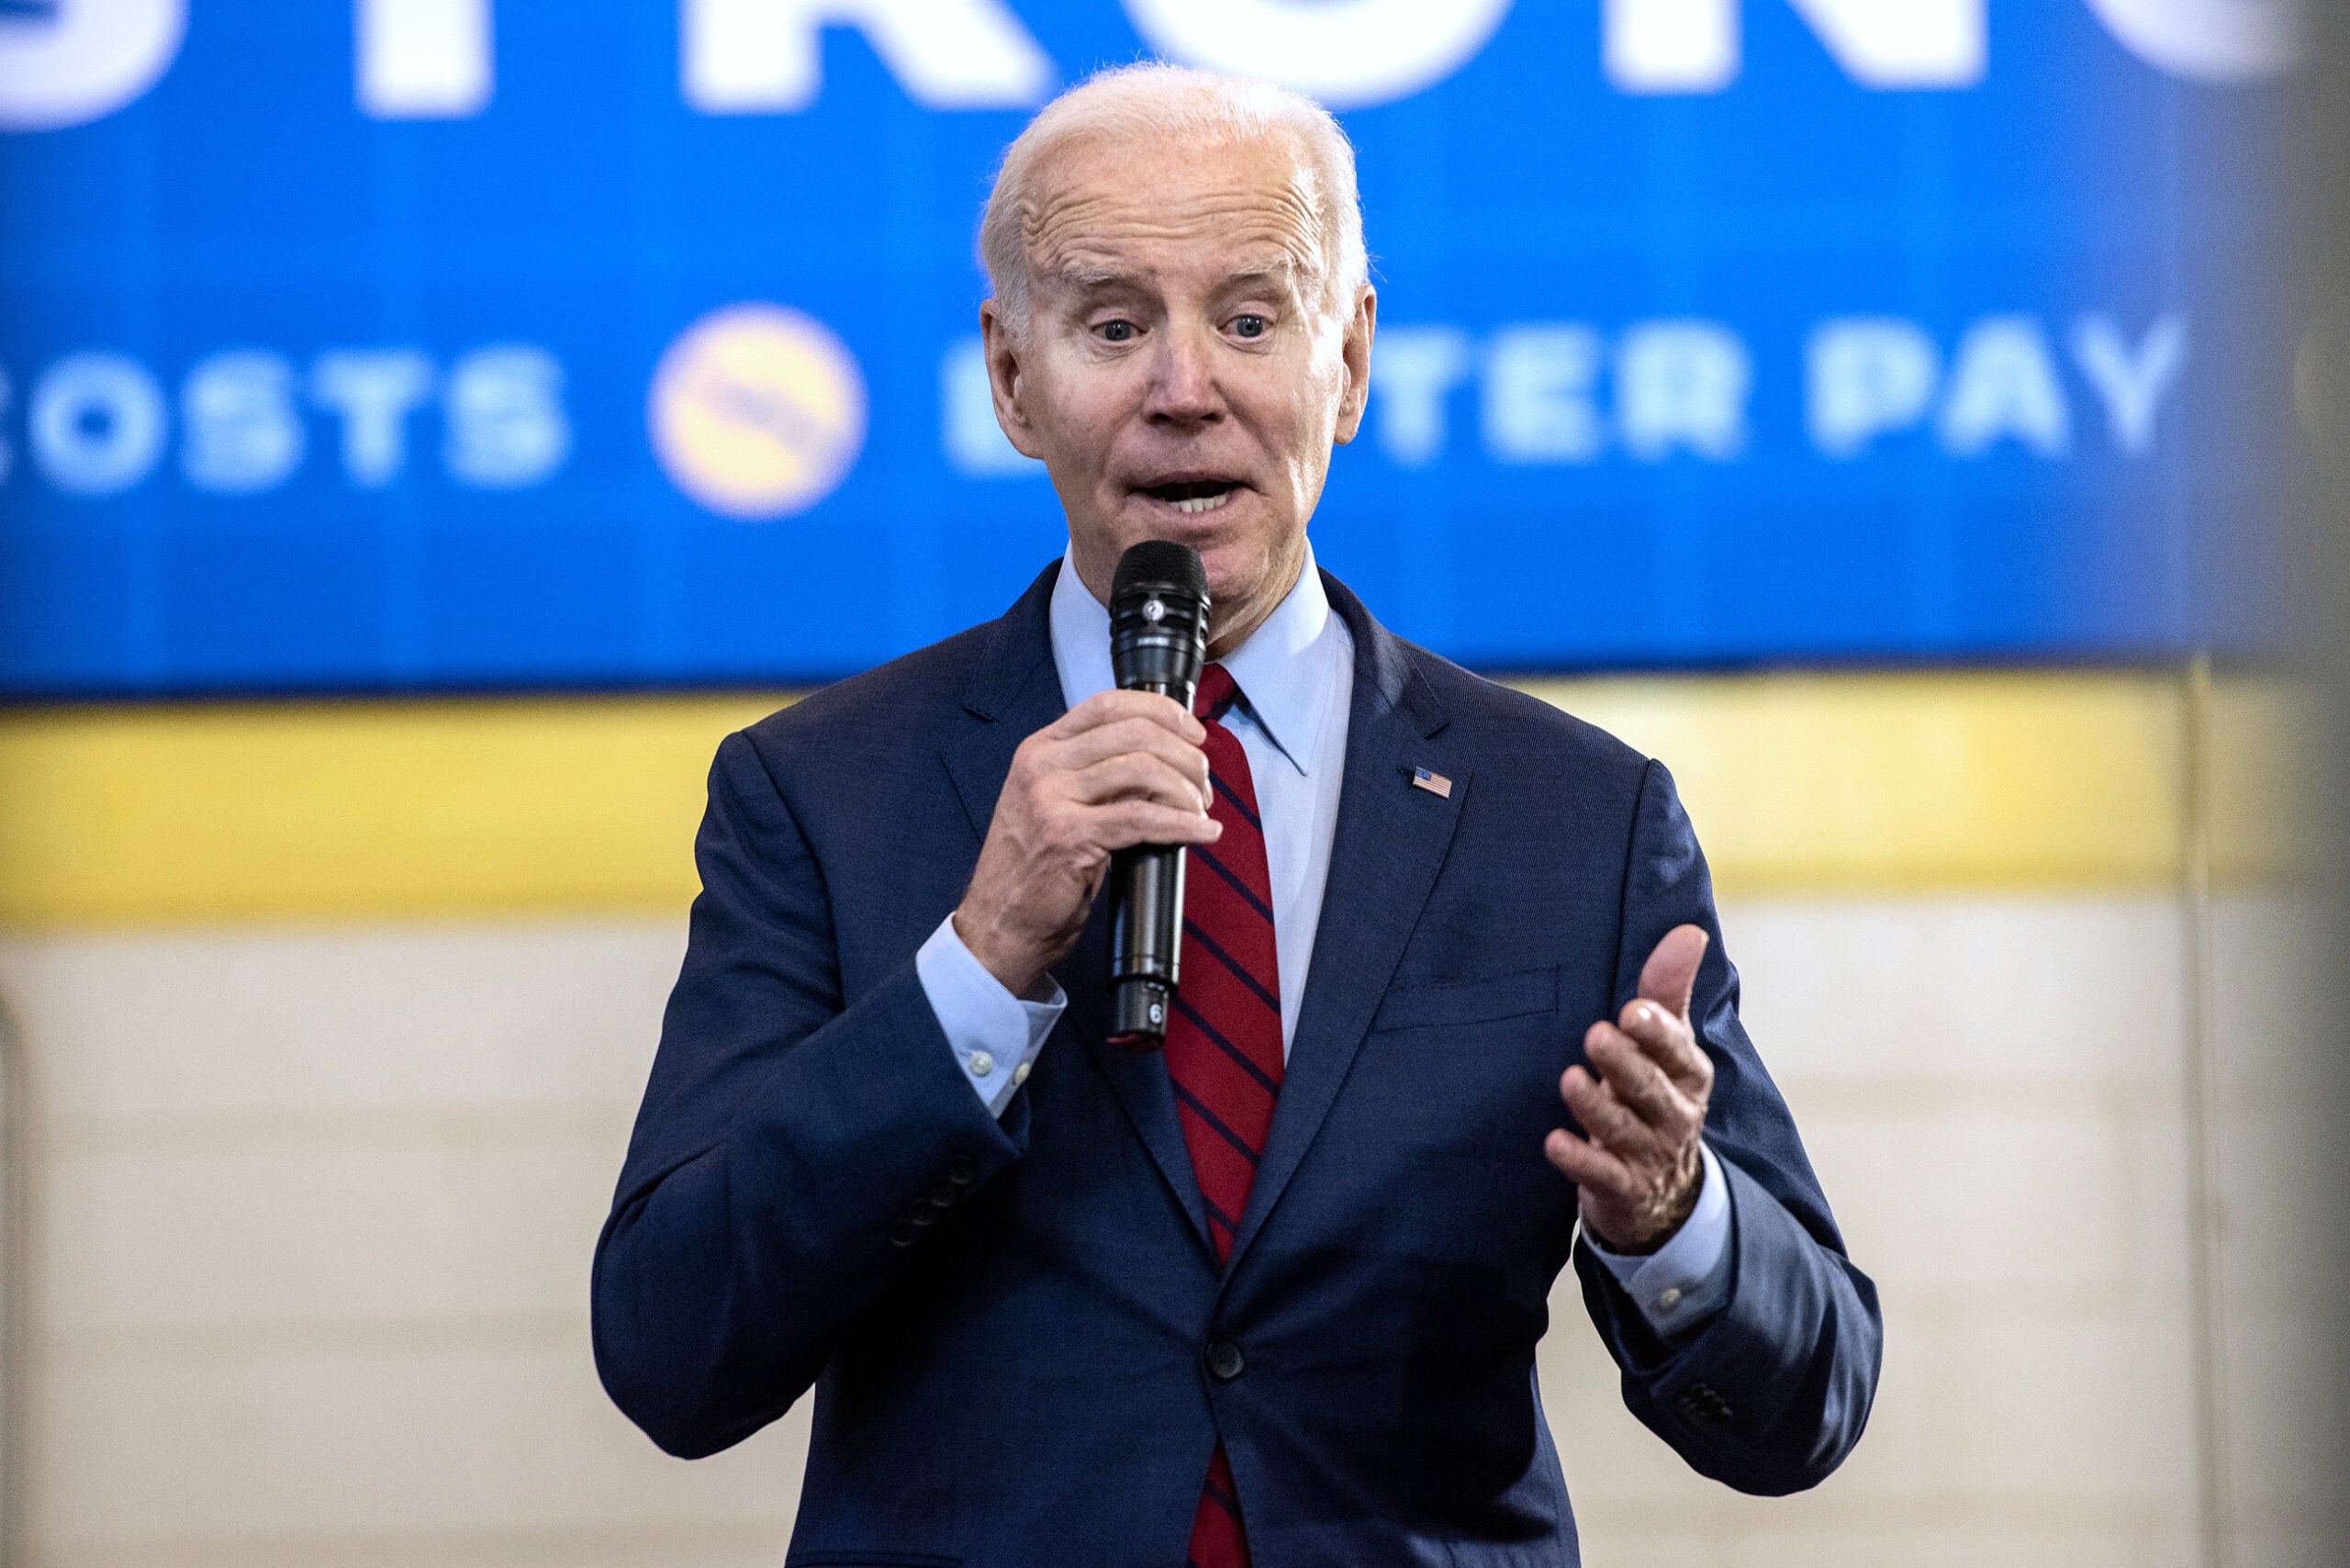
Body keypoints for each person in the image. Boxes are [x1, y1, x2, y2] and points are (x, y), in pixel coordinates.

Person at [593, 62, 1880, 1566]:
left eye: (1251, 318)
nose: (1183, 387)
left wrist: (1674, 1217)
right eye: (1115, 324)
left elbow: (1812, 1405)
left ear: (1350, 359)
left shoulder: (1575, 821)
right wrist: (976, 966)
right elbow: (672, 1352)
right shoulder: (818, 795)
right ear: (1012, 379)